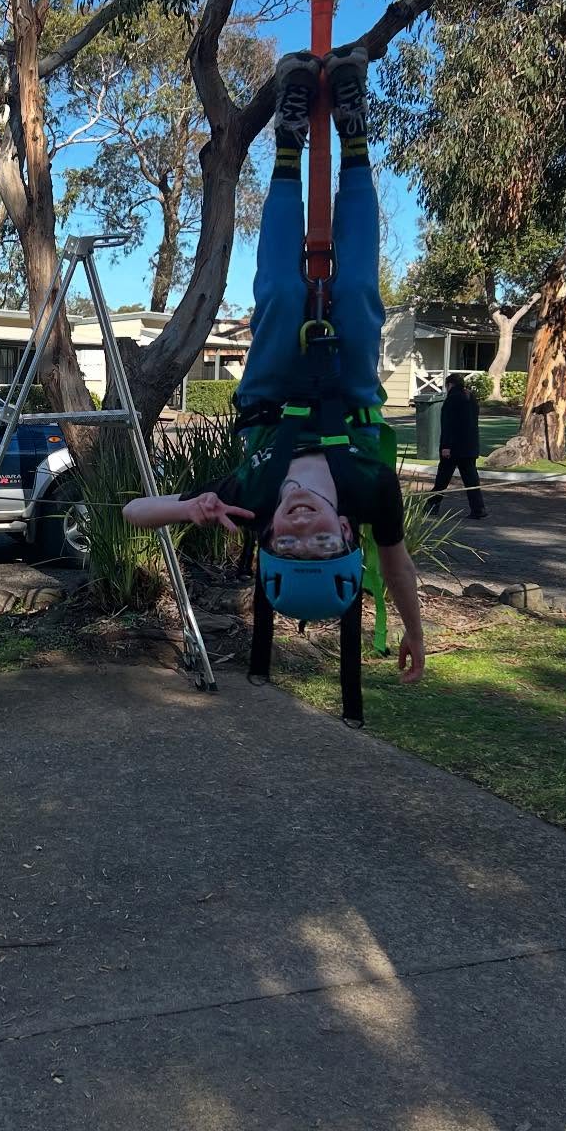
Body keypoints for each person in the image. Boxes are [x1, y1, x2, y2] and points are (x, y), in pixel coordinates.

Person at [123, 47, 425, 685]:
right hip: (349, 391)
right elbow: (395, 563)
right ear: (347, 531)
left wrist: (193, 508)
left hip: (269, 391)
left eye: (289, 549)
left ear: (266, 542)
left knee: (283, 295)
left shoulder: (248, 502)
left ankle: (289, 144)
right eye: (324, 546)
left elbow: (132, 513)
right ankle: (354, 134)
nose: (302, 534)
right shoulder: (371, 494)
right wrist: (414, 632)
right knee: (357, 291)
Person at [427, 374, 487, 518]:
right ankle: (478, 509)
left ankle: (432, 506)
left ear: (450, 384)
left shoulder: (452, 399)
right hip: (469, 446)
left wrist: (446, 446)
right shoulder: (470, 398)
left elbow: (448, 424)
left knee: (442, 478)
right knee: (471, 480)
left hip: (454, 448)